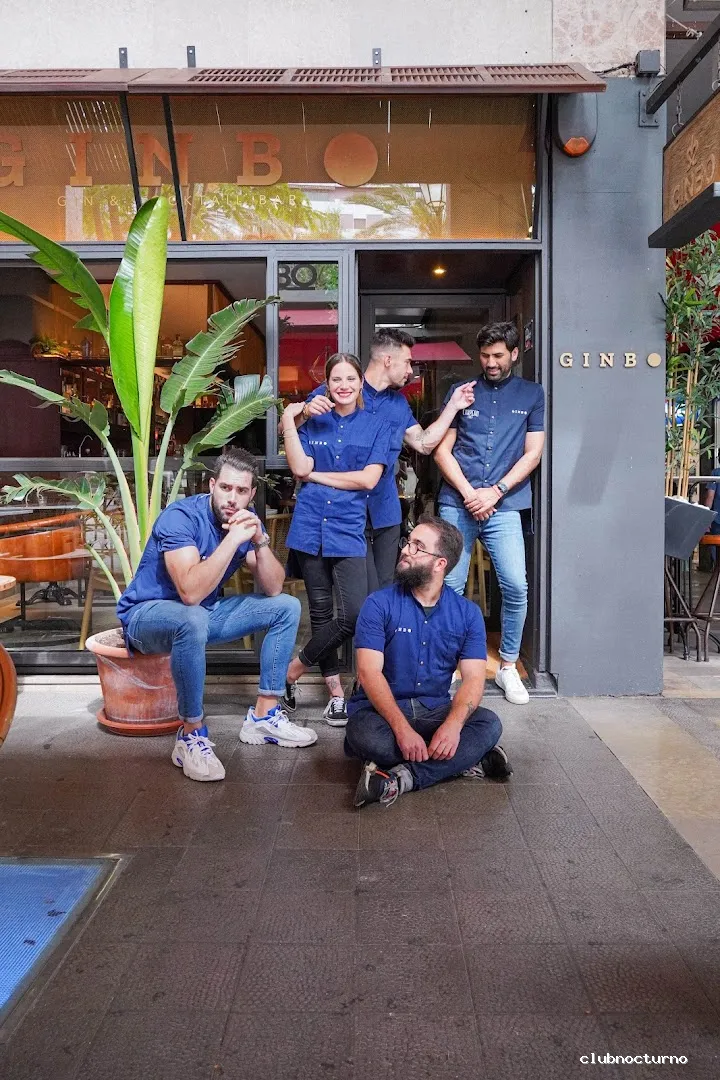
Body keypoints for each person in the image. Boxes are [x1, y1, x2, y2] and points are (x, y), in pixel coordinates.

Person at [116, 447, 316, 783]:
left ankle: (264, 717)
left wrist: (259, 541)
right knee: (192, 617)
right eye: (225, 488)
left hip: (200, 615)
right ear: (211, 486)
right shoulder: (181, 517)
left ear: (251, 494)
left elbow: (273, 587)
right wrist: (233, 540)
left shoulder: (243, 521)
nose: (232, 498)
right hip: (146, 616)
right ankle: (190, 735)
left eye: (241, 491)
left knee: (286, 607)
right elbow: (190, 592)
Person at [346, 515, 511, 808]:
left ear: (440, 564)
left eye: (417, 547)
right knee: (363, 735)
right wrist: (402, 730)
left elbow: (474, 678)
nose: (405, 550)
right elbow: (368, 672)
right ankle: (465, 759)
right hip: (382, 713)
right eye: (408, 543)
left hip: (435, 710)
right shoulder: (378, 604)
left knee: (489, 724)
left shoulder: (467, 613)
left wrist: (453, 726)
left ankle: (400, 778)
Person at [299, 328, 476, 591]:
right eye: (407, 362)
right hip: (344, 513)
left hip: (385, 512)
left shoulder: (398, 404)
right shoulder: (336, 391)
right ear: (388, 360)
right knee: (354, 595)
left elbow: (423, 443)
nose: (410, 371)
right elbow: (292, 430)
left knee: (383, 589)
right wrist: (302, 411)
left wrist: (453, 407)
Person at [434, 321, 545, 706]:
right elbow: (442, 450)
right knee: (448, 586)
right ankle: (446, 664)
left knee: (515, 585)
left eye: (498, 355)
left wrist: (495, 491)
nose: (491, 362)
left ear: (514, 353)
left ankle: (508, 665)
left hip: (506, 504)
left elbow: (533, 453)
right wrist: (469, 494)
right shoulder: (462, 392)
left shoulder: (532, 394)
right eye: (485, 355)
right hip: (458, 501)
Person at [281, 353, 392, 726]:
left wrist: (317, 476)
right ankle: (336, 694)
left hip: (348, 527)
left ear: (361, 383)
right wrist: (290, 417)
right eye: (336, 380)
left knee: (355, 613)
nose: (343, 386)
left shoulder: (376, 426)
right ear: (326, 385)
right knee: (320, 611)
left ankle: (293, 670)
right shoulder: (311, 421)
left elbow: (368, 480)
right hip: (310, 525)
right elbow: (299, 467)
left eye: (350, 379)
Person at [703, 466, 720, 561]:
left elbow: (710, 497)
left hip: (717, 521)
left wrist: (706, 519)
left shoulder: (716, 473)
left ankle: (717, 567)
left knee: (716, 553)